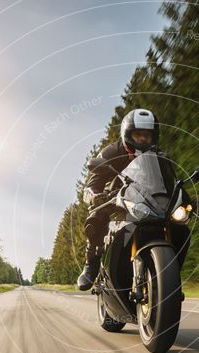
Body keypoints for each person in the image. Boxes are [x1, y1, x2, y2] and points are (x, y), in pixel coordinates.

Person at [76, 108, 188, 291]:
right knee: (95, 219)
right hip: (116, 197)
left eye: (147, 135)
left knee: (180, 225)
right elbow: (92, 183)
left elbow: (171, 181)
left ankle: (170, 276)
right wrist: (94, 196)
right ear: (128, 135)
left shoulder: (160, 155)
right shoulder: (112, 152)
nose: (143, 139)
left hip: (149, 200)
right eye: (138, 134)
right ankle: (92, 264)